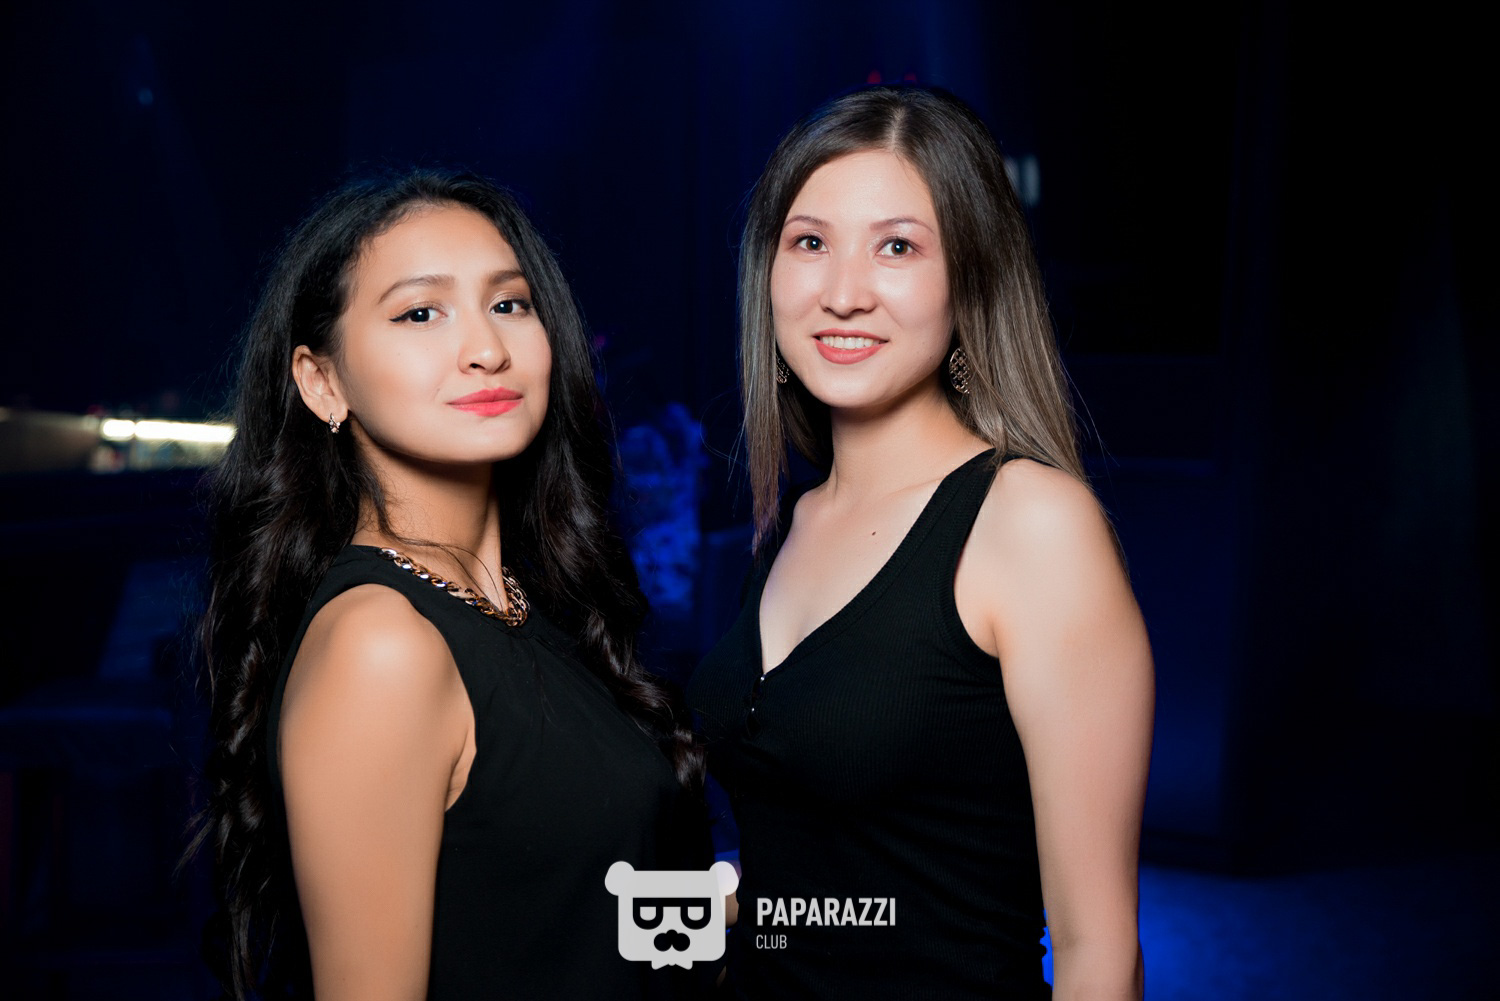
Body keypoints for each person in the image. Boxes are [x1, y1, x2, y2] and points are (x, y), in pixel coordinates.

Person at [688, 85, 1155, 999]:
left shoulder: (1029, 524)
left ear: (968, 281)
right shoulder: (791, 526)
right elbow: (833, 872)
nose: (843, 293)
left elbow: (1098, 949)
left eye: (897, 246)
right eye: (810, 243)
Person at [194, 170, 705, 1000]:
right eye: (420, 313)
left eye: (509, 303)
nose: (486, 348)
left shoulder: (533, 607)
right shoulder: (381, 642)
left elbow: (573, 917)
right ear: (322, 382)